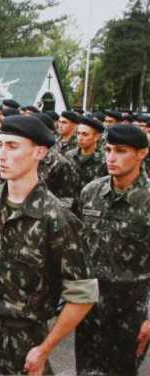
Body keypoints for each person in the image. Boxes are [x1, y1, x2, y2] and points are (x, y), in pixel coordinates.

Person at [0, 115, 98, 375]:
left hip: (22, 339)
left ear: (40, 152)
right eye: (0, 145)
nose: (1, 154)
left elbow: (83, 295)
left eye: (12, 146)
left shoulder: (56, 218)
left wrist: (45, 348)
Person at [76, 124, 150, 376]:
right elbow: (77, 246)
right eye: (107, 150)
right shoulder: (92, 192)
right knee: (85, 370)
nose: (110, 157)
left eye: (120, 151)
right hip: (89, 305)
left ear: (142, 153)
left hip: (130, 309)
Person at [66, 116, 107, 190]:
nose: (80, 138)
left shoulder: (104, 160)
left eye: (85, 134)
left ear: (96, 137)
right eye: (78, 133)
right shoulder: (70, 155)